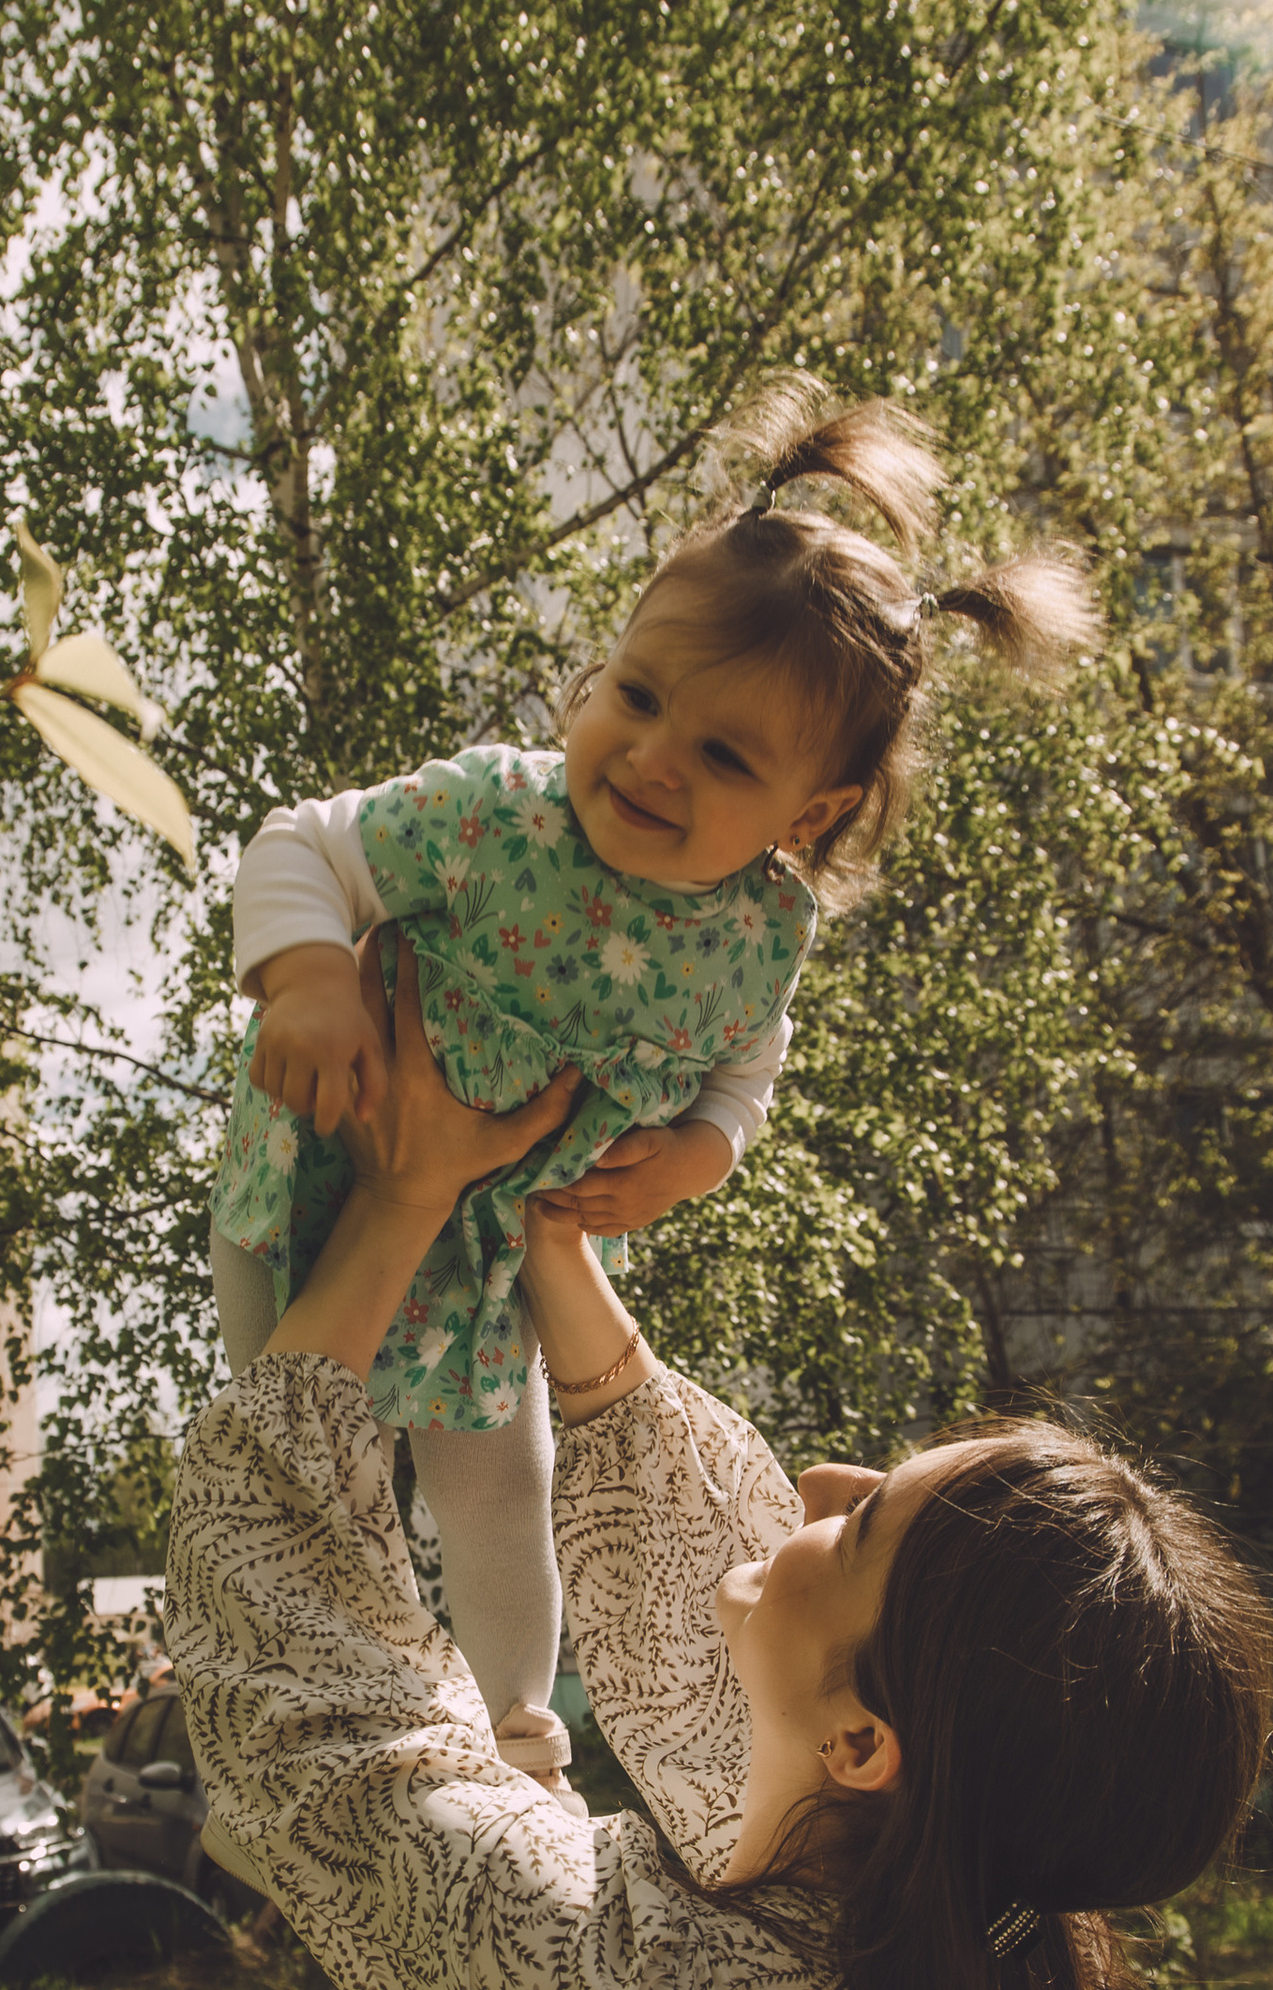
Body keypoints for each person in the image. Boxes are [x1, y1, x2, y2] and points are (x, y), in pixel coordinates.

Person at [166, 943, 1273, 1990]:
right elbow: (735, 1686)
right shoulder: (1000, 1965)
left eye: (867, 1517)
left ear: (873, 1742)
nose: (816, 1480)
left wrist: (406, 1202)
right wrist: (544, 1238)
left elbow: (314, 1685)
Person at [209, 378, 1100, 1791]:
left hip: (488, 1259)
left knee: (506, 1484)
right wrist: (309, 978)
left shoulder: (761, 933)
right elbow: (299, 845)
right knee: (283, 1446)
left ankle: (517, 1731)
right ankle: (285, 1702)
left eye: (725, 754)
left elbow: (750, 1064)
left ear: (806, 816)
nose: (650, 756)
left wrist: (702, 1153)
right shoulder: (494, 814)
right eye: (636, 695)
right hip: (314, 1177)